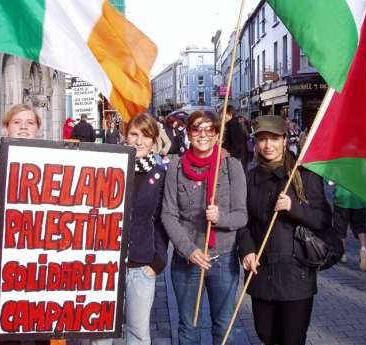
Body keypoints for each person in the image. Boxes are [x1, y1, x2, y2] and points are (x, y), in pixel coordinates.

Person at [237, 115, 332, 345]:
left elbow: (323, 219)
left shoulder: (304, 175)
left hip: (295, 274)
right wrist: (247, 250)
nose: (268, 145)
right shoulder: (249, 178)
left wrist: (294, 207)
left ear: (284, 140)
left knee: (292, 339)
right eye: (262, 139)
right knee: (266, 334)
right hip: (262, 272)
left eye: (274, 139)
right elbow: (243, 221)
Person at [161, 110, 247, 345]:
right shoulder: (176, 167)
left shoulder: (231, 166)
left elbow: (242, 216)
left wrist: (222, 218)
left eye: (209, 128)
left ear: (217, 134)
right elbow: (168, 214)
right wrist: (188, 250)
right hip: (187, 261)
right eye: (196, 128)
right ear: (188, 132)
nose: (203, 134)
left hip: (223, 260)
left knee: (223, 327)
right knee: (188, 328)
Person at [92, 113, 169, 345]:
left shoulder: (159, 174)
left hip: (141, 265)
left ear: (154, 140)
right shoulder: (107, 168)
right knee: (101, 333)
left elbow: (162, 219)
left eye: (146, 135)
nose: (139, 141)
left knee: (138, 333)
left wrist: (158, 262)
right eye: (134, 134)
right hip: (106, 265)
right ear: (124, 136)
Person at [0, 104, 42, 345]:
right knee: (6, 322)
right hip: (4, 254)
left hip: (43, 254)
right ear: (6, 127)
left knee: (44, 320)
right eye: (17, 122)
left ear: (37, 129)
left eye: (29, 122)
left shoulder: (57, 157)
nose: (23, 127)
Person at [332, 185, 366, 271]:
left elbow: (331, 181)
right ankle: (363, 247)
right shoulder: (362, 170)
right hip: (359, 198)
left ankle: (343, 254)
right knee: (360, 226)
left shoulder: (340, 170)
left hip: (342, 198)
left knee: (341, 228)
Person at [223, 105, 248, 169]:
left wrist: (227, 151)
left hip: (236, 159)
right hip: (239, 157)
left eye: (223, 114)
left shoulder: (233, 124)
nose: (221, 116)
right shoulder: (233, 124)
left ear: (229, 114)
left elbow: (237, 144)